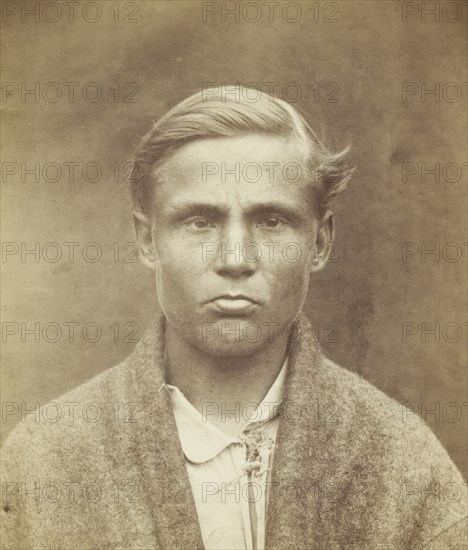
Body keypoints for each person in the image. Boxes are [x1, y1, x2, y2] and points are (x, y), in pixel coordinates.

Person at [1, 86, 466, 550]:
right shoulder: (44, 459)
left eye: (271, 221)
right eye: (200, 221)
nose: (235, 258)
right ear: (147, 240)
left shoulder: (403, 463)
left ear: (320, 243)